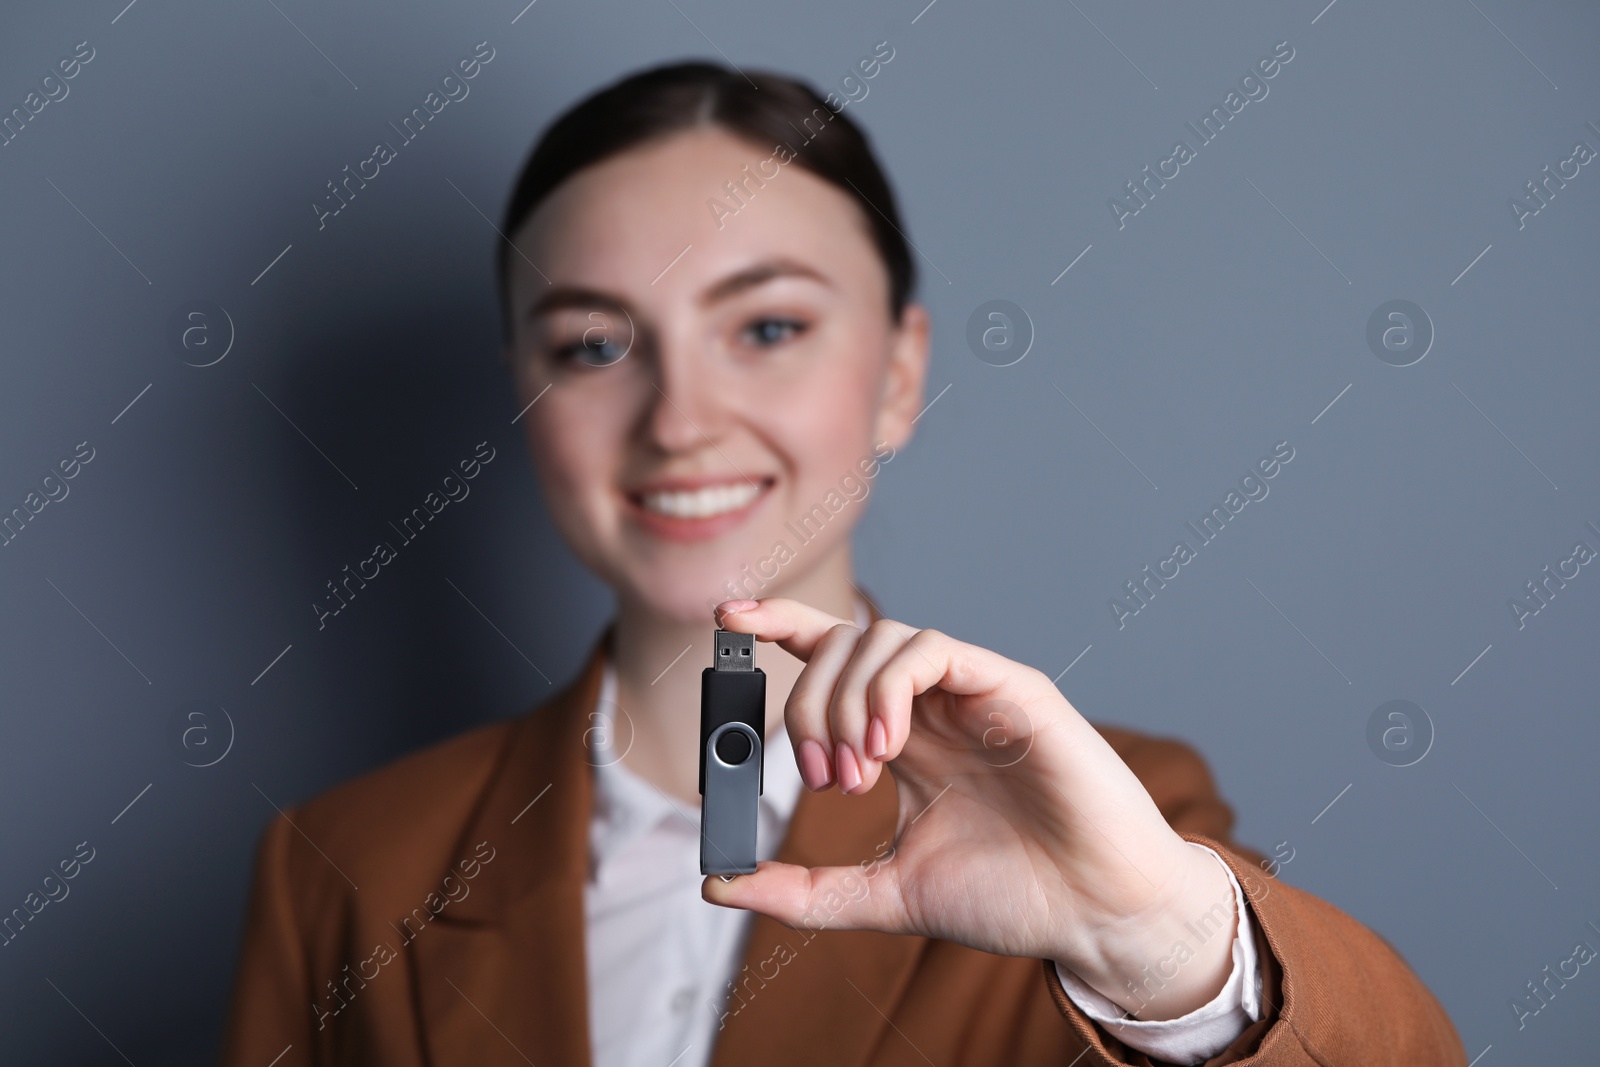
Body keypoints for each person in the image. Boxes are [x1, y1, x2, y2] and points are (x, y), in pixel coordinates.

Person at [220, 61, 1467, 1066]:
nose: (680, 419)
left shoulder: (1121, 810)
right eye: (595, 343)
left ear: (901, 370)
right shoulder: (342, 864)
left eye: (767, 326)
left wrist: (1161, 949)